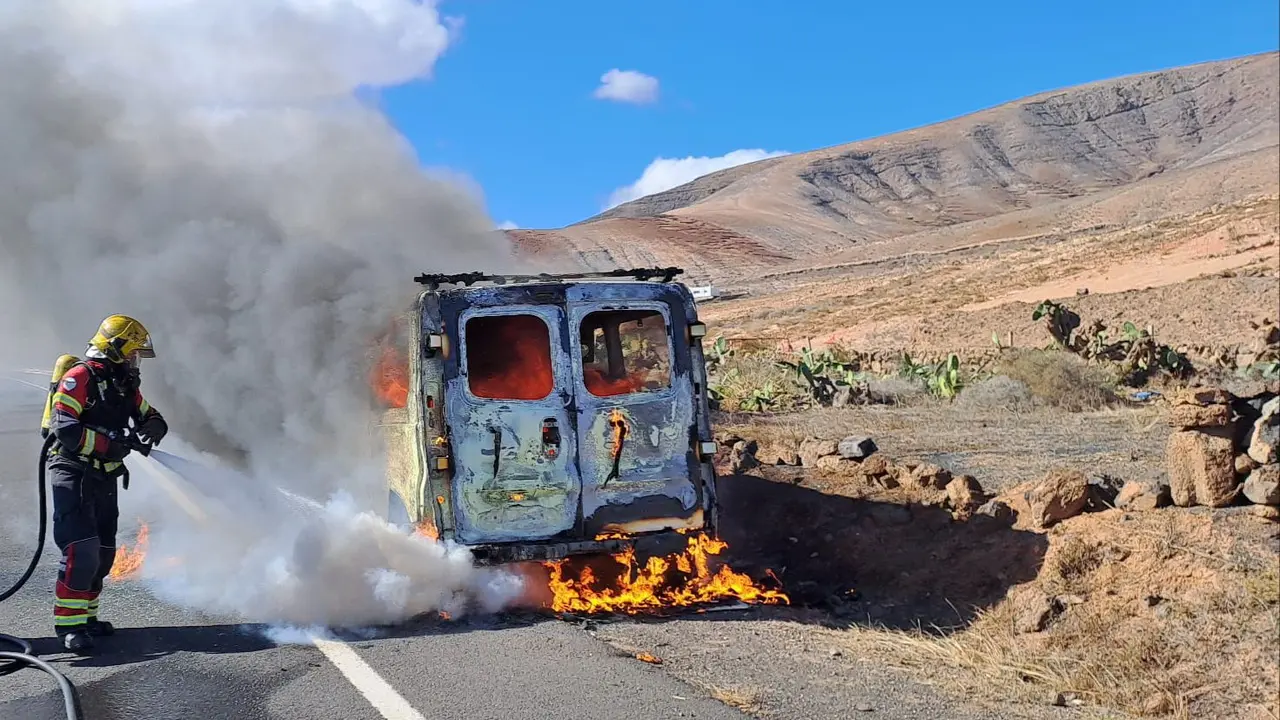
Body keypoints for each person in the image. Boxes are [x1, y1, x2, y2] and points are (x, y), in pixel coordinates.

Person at [45, 315, 168, 652]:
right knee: (81, 551)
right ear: (116, 349)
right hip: (73, 473)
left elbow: (150, 414)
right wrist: (108, 445)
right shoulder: (78, 379)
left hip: (104, 476)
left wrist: (155, 426)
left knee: (103, 554)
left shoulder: (123, 385)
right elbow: (65, 428)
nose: (134, 361)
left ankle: (87, 618)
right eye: (132, 354)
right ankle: (68, 628)